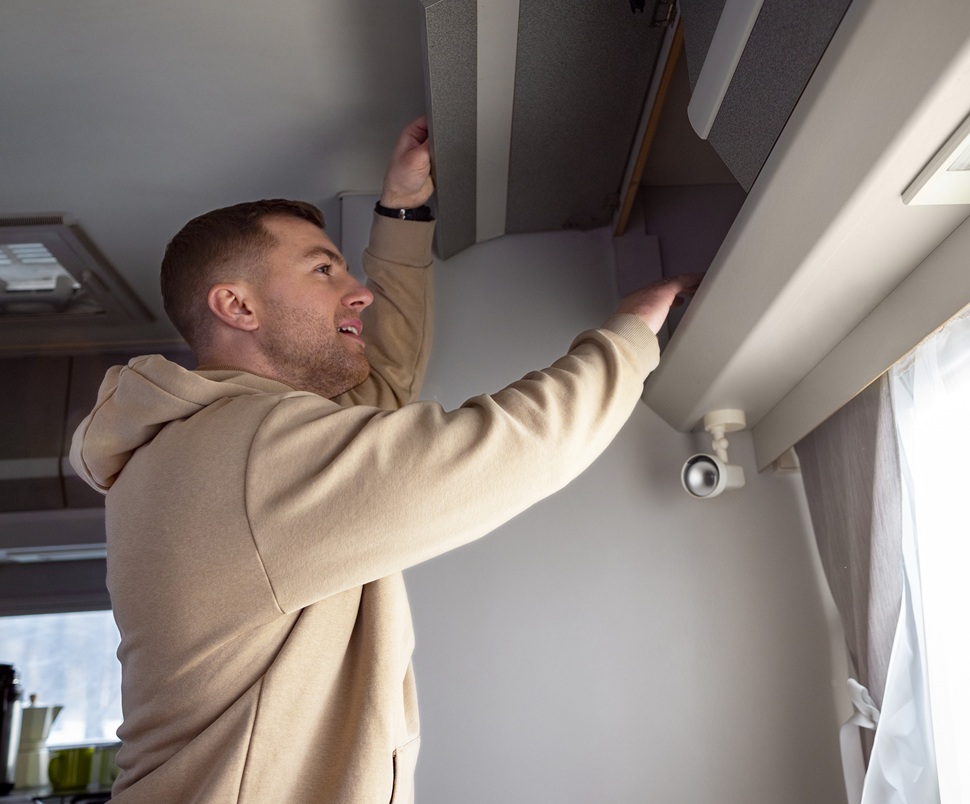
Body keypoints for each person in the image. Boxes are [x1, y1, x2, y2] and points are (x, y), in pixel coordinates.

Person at [69, 115, 701, 804]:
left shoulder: (213, 439)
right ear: (237, 305)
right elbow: (504, 454)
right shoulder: (249, 453)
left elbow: (383, 377)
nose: (358, 291)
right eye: (323, 269)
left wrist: (402, 208)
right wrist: (630, 337)